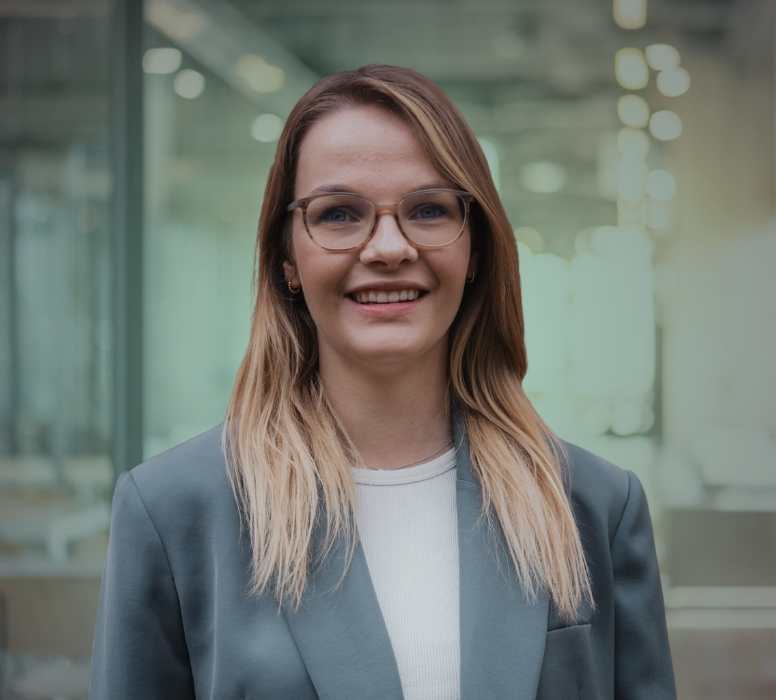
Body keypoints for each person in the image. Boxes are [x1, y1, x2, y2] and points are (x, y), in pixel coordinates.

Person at [89, 64, 676, 700]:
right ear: (287, 258)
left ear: (474, 247)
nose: (389, 247)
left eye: (427, 209)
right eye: (340, 213)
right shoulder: (174, 511)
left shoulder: (594, 506)